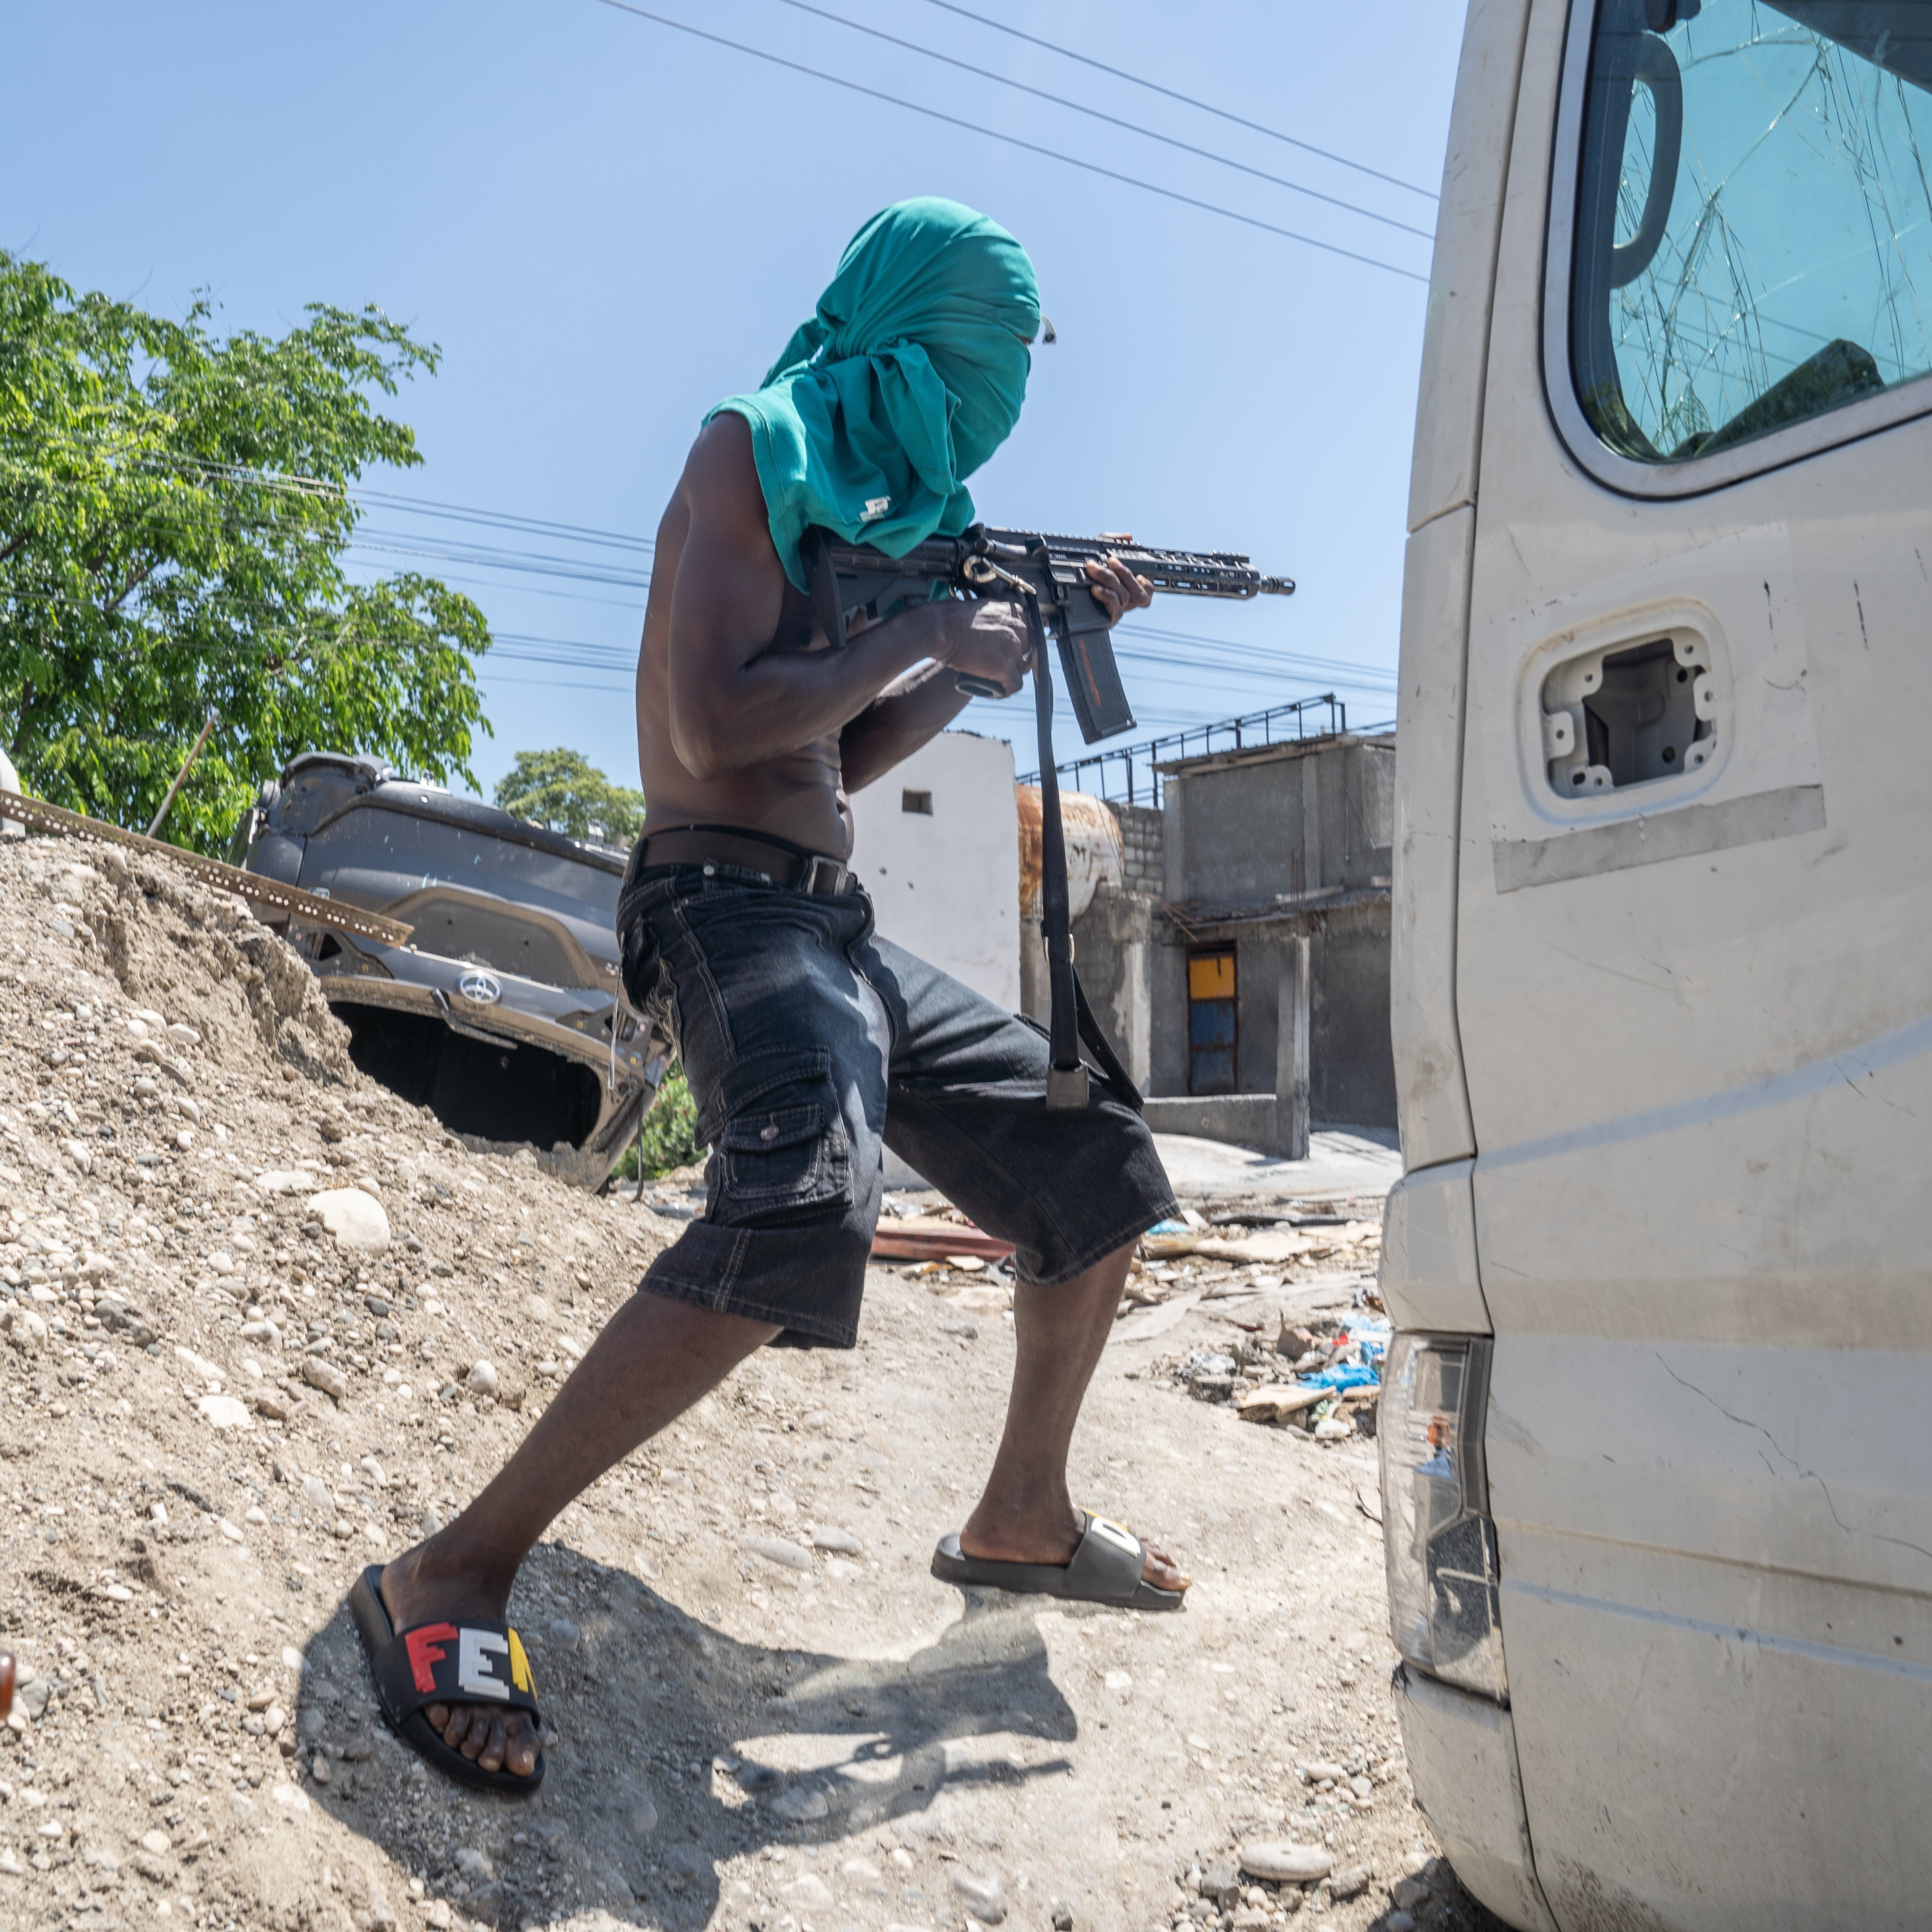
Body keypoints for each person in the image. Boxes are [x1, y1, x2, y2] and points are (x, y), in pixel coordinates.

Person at [351, 198, 1186, 1794]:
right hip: (718, 908)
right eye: (990, 353)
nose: (1003, 389)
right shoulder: (753, 451)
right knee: (807, 1201)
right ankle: (452, 1570)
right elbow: (718, 726)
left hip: (829, 920)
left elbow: (838, 756)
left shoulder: (883, 503)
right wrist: (931, 622)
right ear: (916, 329)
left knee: (1096, 1162)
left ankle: (1020, 1519)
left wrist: (968, 657)